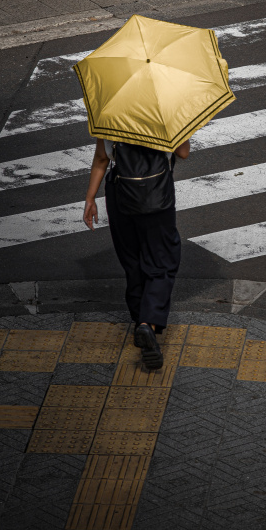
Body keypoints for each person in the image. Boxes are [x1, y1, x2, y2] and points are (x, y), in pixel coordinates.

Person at [82, 137, 190, 369]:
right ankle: (147, 323)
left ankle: (139, 316)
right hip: (156, 192)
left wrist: (90, 198)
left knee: (132, 259)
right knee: (162, 259)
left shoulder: (111, 117)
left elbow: (101, 158)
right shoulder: (164, 116)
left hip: (119, 191)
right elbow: (183, 152)